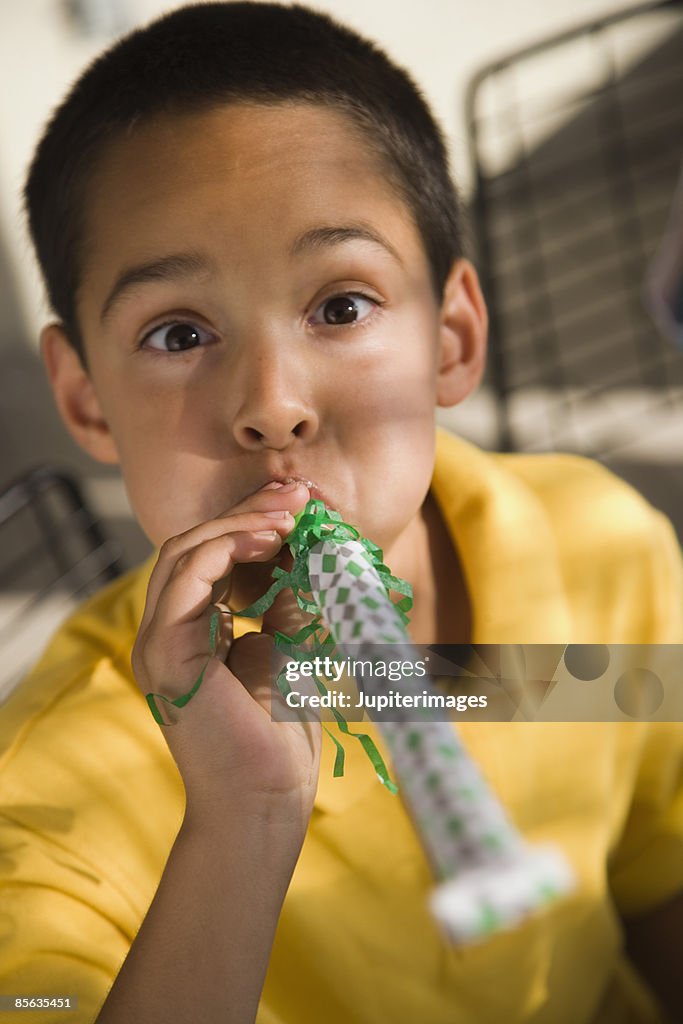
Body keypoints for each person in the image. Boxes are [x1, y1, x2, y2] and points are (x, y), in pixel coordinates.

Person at [3, 3, 682, 1021]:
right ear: (86, 397)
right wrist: (244, 817)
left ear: (448, 339)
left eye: (339, 306)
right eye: (179, 331)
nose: (273, 402)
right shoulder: (51, 791)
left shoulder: (602, 550)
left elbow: (652, 871)